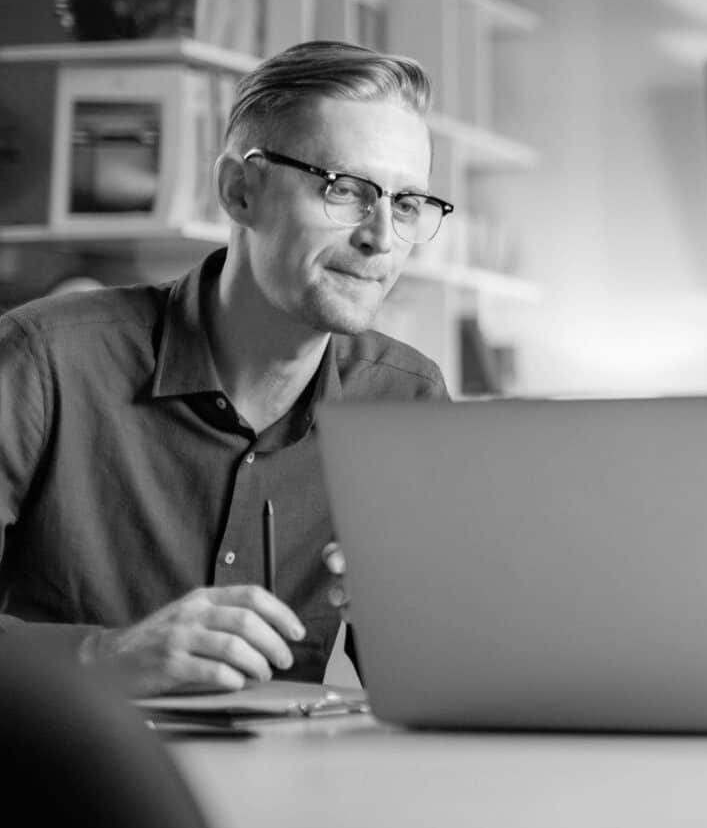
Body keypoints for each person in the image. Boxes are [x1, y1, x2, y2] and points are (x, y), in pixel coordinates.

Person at [0, 40, 452, 697]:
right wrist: (108, 657)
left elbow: (429, 682)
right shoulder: (42, 359)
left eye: (406, 203)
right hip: (65, 764)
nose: (381, 237)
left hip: (294, 766)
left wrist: (424, 621)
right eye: (345, 190)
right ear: (240, 192)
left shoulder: (405, 398)